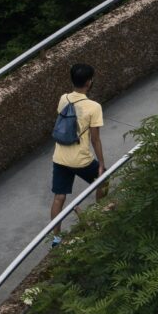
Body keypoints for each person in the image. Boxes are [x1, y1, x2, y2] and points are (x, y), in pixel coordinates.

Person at [48, 61, 106, 224]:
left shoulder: (63, 98)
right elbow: (95, 139)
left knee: (59, 197)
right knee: (103, 181)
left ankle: (56, 238)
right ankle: (98, 218)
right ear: (89, 82)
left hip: (59, 157)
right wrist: (101, 163)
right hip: (80, 160)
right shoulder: (94, 107)